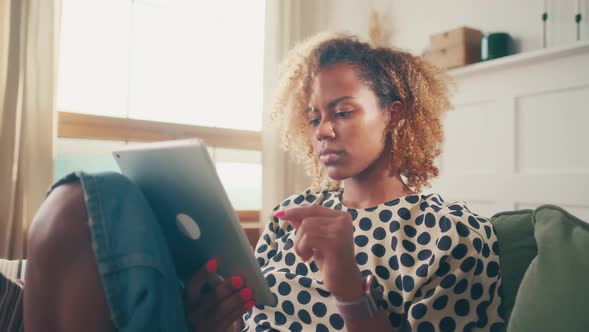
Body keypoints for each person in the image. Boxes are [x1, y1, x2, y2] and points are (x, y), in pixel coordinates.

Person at [24, 32, 504, 332]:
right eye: (314, 117)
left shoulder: (452, 234)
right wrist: (209, 319)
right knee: (83, 199)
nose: (323, 130)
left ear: (393, 115)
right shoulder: (291, 213)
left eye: (342, 111)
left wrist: (349, 288)